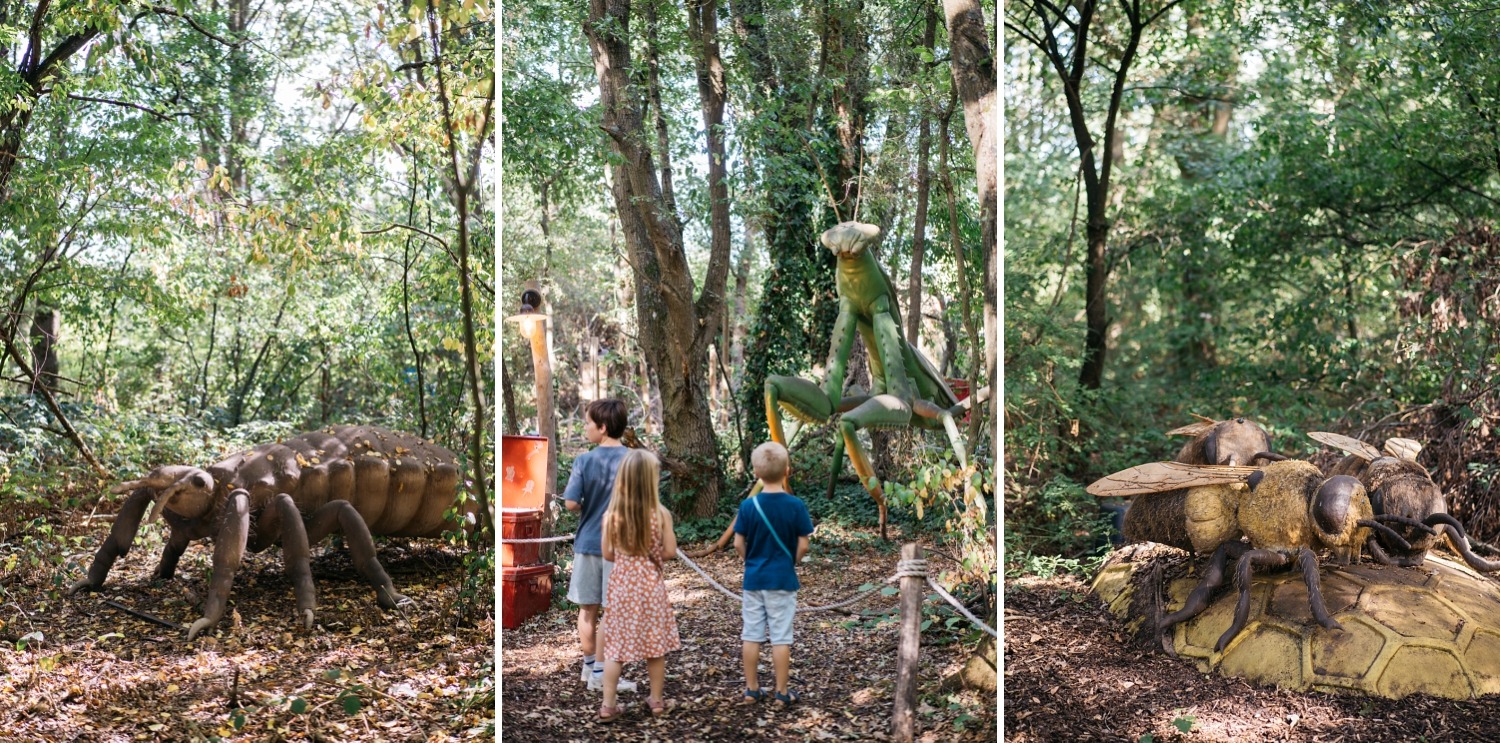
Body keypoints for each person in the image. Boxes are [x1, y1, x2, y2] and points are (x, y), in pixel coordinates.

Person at [597, 449, 681, 721]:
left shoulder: (612, 516)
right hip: (650, 587)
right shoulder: (661, 514)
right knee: (654, 648)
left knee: (615, 649)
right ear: (650, 480)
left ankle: (608, 705)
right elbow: (670, 550)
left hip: (622, 588)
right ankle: (656, 700)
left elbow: (608, 554)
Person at [563, 398, 637, 692]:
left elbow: (570, 503)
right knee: (612, 612)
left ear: (603, 427)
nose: (585, 428)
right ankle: (599, 674)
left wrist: (588, 506)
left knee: (588, 611)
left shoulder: (584, 460)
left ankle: (590, 668)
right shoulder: (633, 460)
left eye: (588, 423)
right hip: (620, 547)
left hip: (588, 543)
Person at [734, 441, 815, 708]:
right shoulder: (795, 505)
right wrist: (791, 561)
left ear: (756, 472)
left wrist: (751, 561)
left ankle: (751, 689)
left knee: (752, 634)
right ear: (787, 471)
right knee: (781, 636)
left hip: (754, 579)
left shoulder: (748, 506)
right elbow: (803, 543)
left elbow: (737, 543)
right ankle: (781, 692)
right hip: (782, 579)